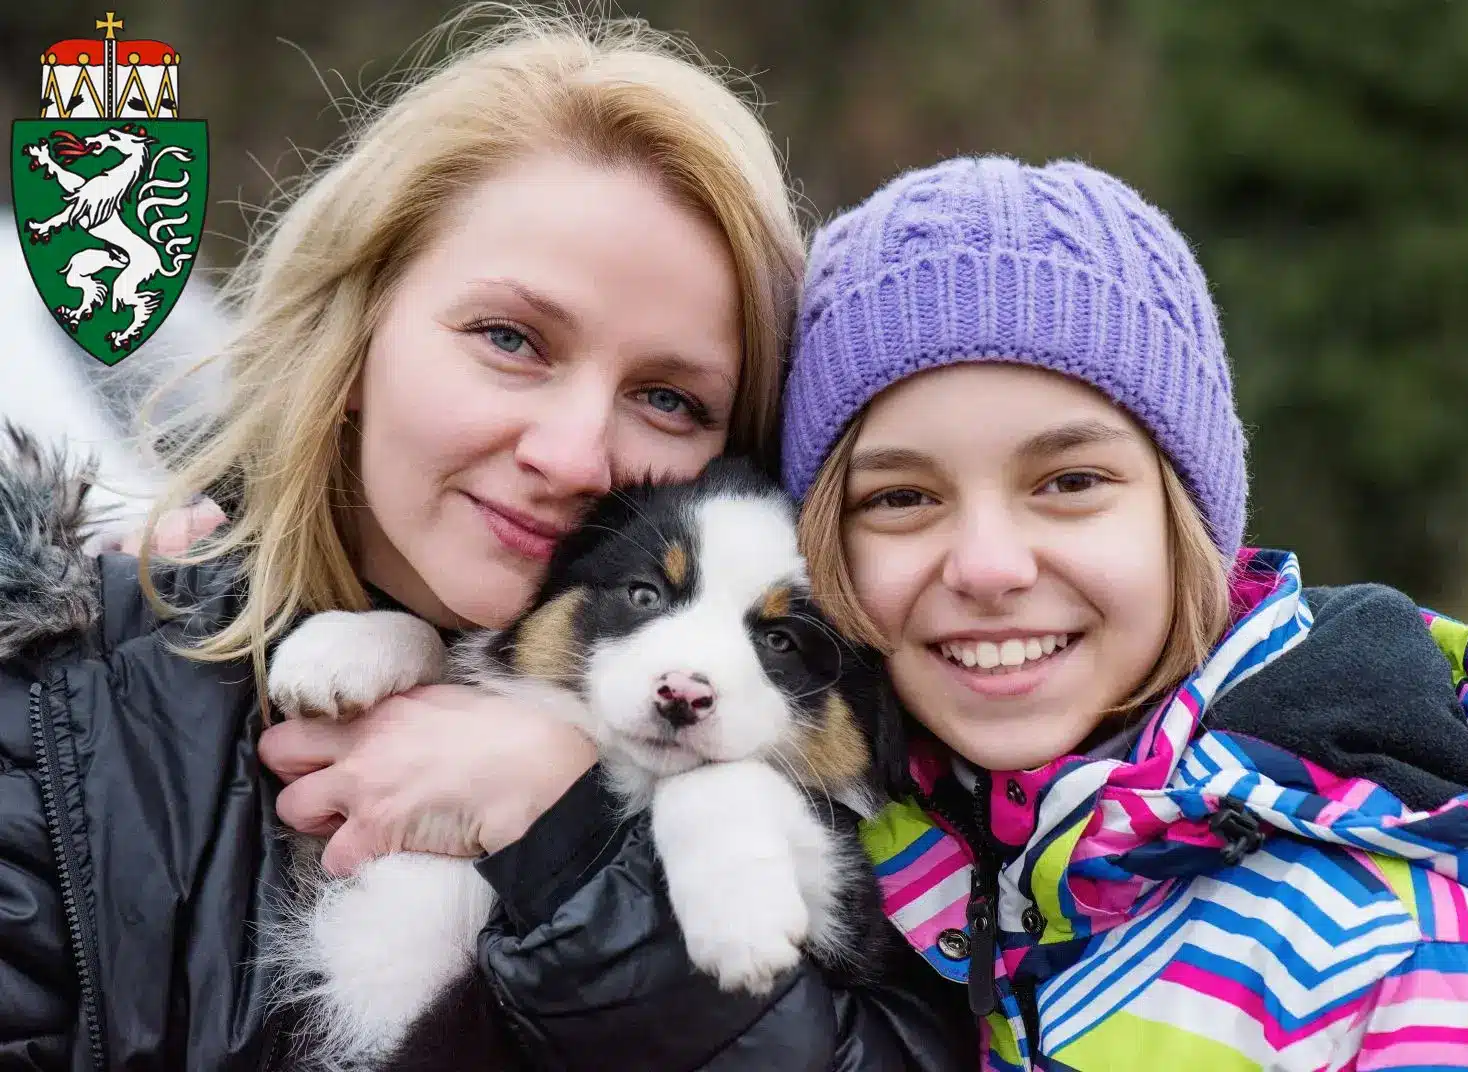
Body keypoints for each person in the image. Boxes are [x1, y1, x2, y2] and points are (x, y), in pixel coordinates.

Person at [0, 12, 970, 1070]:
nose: (573, 456)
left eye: (669, 397)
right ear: (356, 328)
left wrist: (574, 839)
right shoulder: (50, 713)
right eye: (510, 339)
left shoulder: (916, 788)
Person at [780, 155, 1468, 1069]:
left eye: (1070, 482)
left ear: (1185, 519)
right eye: (900, 498)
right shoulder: (833, 861)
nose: (990, 567)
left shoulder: (1383, 951)